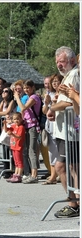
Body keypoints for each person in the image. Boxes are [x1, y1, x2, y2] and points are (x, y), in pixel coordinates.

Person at [46, 46, 80, 218]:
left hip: (71, 131)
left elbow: (71, 102)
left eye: (62, 61)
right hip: (63, 131)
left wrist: (52, 107)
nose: (59, 65)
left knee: (70, 167)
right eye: (57, 62)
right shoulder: (68, 74)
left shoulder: (74, 74)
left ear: (72, 60)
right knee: (65, 166)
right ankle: (73, 201)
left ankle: (74, 203)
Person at [41, 74, 62, 185]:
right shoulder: (48, 94)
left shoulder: (61, 94)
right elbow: (44, 111)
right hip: (50, 126)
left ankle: (58, 174)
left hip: (60, 125)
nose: (52, 84)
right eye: (51, 82)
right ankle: (53, 175)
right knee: (52, 151)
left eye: (55, 81)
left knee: (61, 152)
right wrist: (47, 102)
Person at [5, 112, 26, 183]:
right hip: (13, 146)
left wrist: (12, 134)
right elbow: (7, 130)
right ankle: (15, 174)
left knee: (19, 162)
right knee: (16, 162)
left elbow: (19, 137)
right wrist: (5, 124)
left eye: (18, 119)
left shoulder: (21, 127)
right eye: (14, 119)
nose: (16, 121)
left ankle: (19, 175)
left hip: (18, 146)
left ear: (21, 119)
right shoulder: (14, 126)